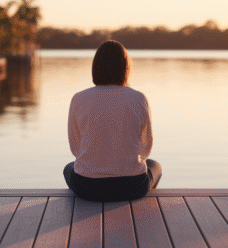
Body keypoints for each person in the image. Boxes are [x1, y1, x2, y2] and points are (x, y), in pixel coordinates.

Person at [63, 40, 162, 202]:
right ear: (126, 68)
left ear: (96, 68)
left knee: (69, 167)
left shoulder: (79, 98)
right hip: (132, 187)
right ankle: (137, 208)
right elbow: (145, 150)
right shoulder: (138, 98)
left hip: (87, 187)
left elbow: (76, 149)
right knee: (155, 165)